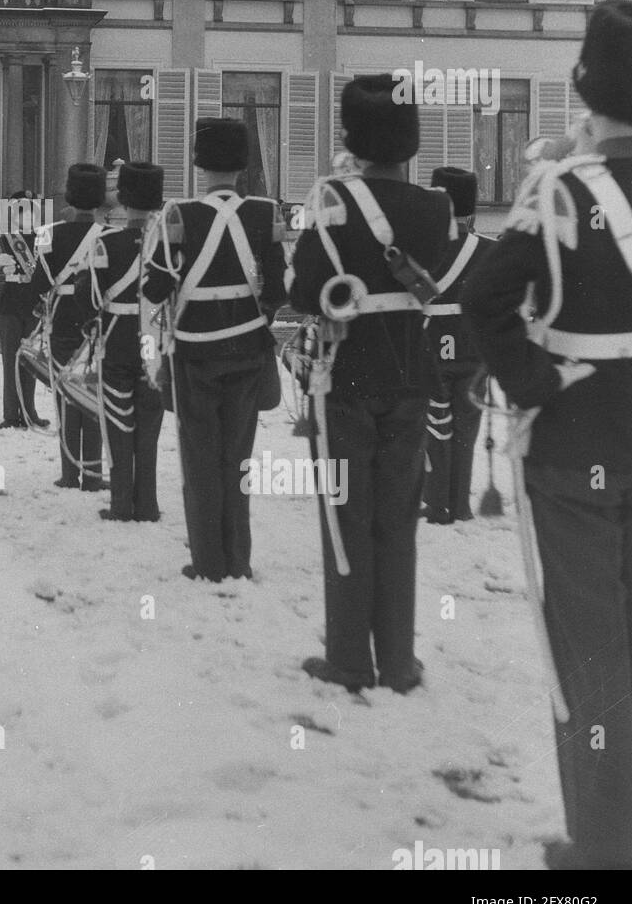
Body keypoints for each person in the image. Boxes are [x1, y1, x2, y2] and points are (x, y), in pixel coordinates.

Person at [464, 1, 632, 871]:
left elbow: (485, 301)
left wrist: (534, 383)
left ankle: (607, 852)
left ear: (590, 93)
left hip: (578, 450)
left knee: (590, 655)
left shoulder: (559, 190)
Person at [288, 75, 452, 692]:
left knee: (346, 517)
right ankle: (400, 661)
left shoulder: (331, 199)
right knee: (398, 521)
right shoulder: (436, 208)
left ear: (353, 136)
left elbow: (303, 293)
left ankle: (351, 657)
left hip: (345, 376)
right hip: (412, 375)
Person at [142, 120, 286, 578]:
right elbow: (280, 287)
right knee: (238, 459)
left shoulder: (179, 215)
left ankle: (208, 561)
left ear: (198, 163)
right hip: (247, 348)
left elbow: (156, 285)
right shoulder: (266, 213)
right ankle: (238, 559)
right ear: (243, 165)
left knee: (200, 461)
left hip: (195, 353)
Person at [85, 162, 166, 522]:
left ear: (125, 201)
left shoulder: (107, 242)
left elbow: (89, 300)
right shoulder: (167, 244)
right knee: (149, 430)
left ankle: (121, 504)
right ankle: (147, 504)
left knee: (118, 426)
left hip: (116, 341)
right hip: (154, 343)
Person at [422, 167, 495, 524]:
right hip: (474, 351)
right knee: (467, 429)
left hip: (430, 348)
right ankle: (460, 503)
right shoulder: (491, 250)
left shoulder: (421, 247)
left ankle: (436, 504)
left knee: (435, 427)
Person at [35, 164, 106, 491]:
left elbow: (38, 282)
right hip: (96, 320)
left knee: (65, 393)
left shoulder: (49, 234)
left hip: (61, 318)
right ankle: (92, 473)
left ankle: (68, 471)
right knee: (91, 395)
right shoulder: (107, 236)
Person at [0, 192, 46, 432]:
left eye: (30, 209)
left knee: (30, 361)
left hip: (34, 306)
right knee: (11, 362)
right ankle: (11, 415)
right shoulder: (4, 240)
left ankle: (30, 413)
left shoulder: (44, 239)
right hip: (10, 306)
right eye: (21, 209)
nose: (26, 214)